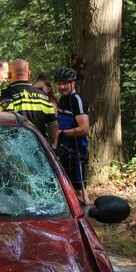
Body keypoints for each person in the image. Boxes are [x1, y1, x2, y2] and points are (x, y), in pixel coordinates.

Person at [53, 67, 90, 204]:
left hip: (76, 151)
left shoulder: (77, 100)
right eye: (59, 83)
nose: (62, 87)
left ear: (73, 83)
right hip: (63, 149)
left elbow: (84, 129)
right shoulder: (63, 99)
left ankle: (87, 213)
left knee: (80, 190)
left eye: (65, 83)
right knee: (66, 189)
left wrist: (62, 132)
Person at [0, 59, 57, 144]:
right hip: (39, 149)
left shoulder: (6, 94)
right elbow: (53, 125)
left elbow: (4, 122)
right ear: (29, 74)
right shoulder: (44, 96)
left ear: (9, 75)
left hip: (17, 148)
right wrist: (52, 145)